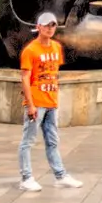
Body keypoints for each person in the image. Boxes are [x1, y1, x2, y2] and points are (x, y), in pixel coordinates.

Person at [17, 13, 82, 193]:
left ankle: (60, 175)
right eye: (46, 25)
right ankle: (26, 177)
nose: (50, 28)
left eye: (53, 25)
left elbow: (54, 73)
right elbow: (25, 77)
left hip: (51, 101)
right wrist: (30, 104)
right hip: (37, 101)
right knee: (28, 141)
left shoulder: (56, 47)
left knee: (53, 141)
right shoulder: (31, 50)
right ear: (38, 27)